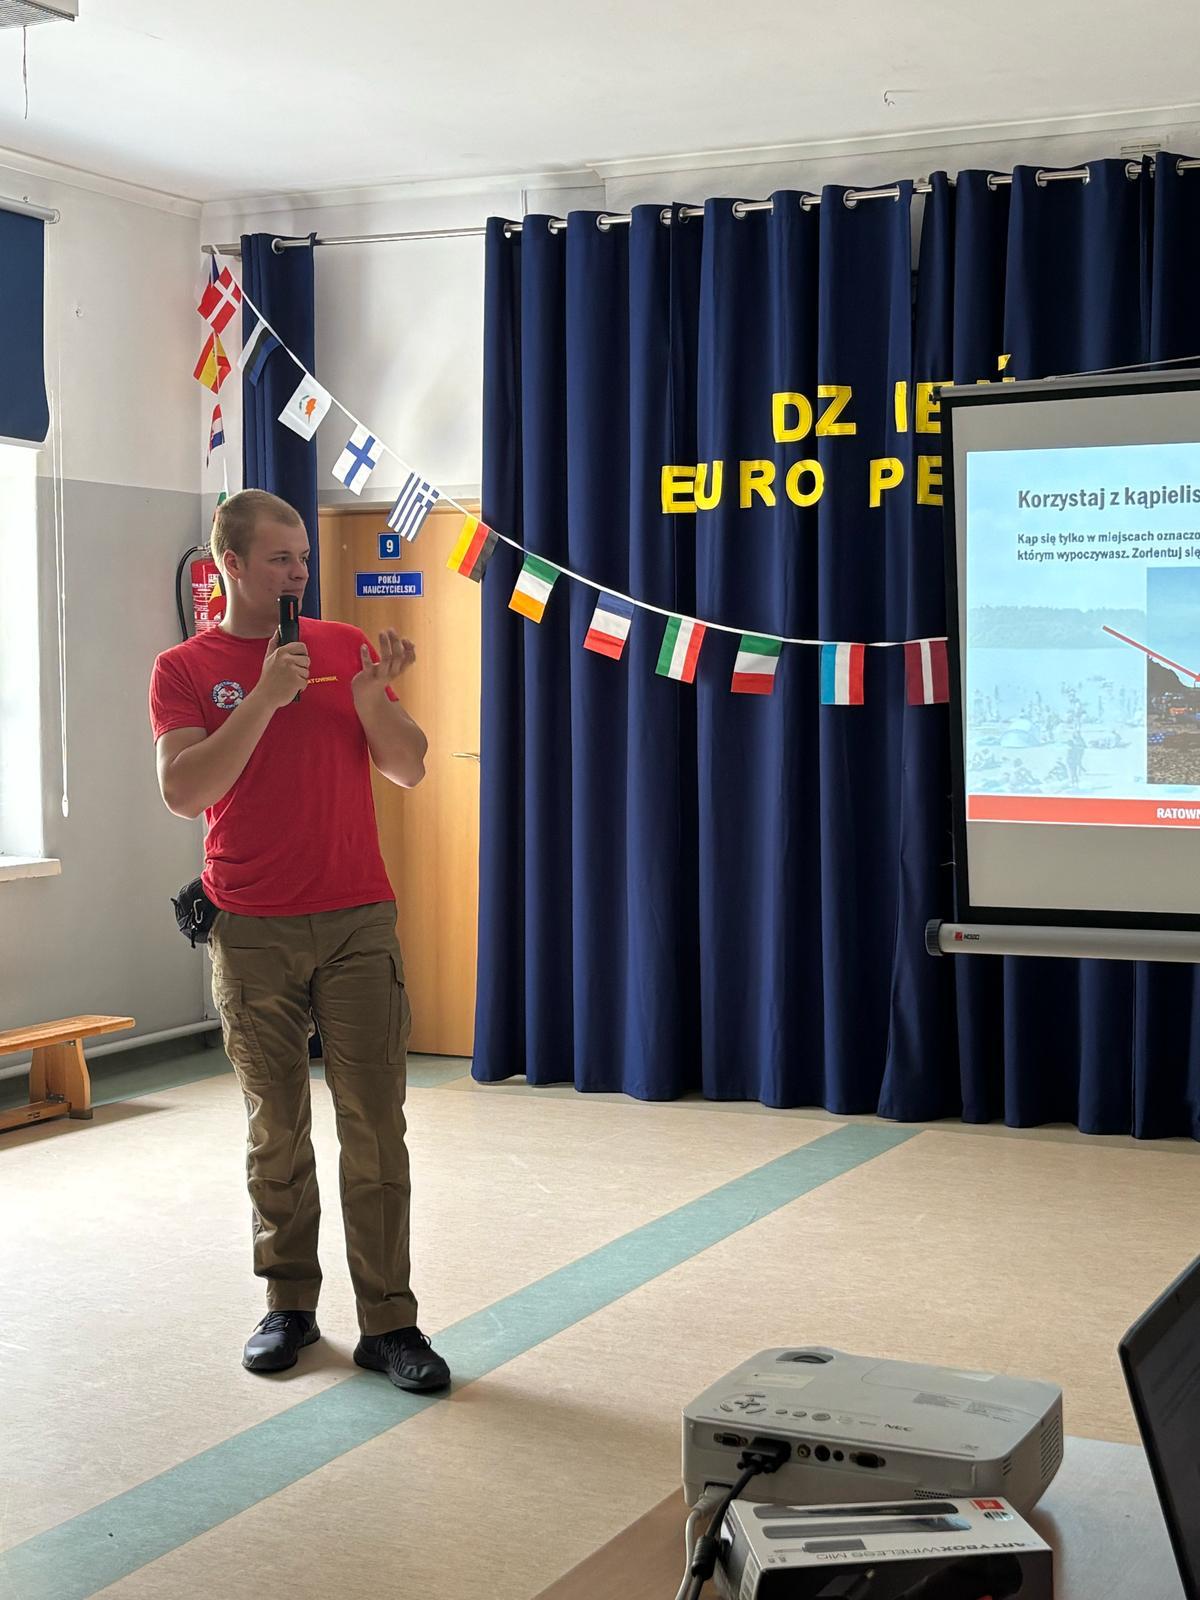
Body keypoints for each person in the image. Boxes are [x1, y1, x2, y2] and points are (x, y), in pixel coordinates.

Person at [148, 489, 450, 1392]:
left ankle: (390, 1322)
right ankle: (289, 1304)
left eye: (304, 558)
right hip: (249, 927)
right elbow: (184, 791)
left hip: (357, 917)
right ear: (231, 565)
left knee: (375, 1123)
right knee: (275, 1126)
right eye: (280, 558)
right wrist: (264, 699)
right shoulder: (184, 668)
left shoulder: (345, 647)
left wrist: (368, 699)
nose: (298, 572)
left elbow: (409, 764)